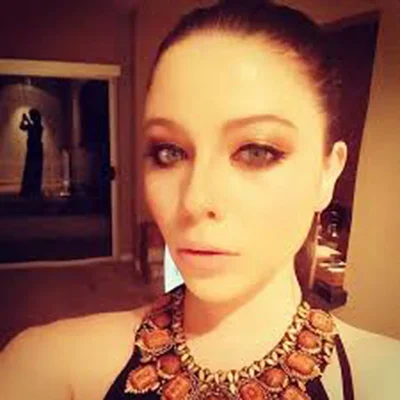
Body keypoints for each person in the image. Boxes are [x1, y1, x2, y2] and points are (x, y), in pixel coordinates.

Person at [0, 1, 399, 399]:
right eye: (169, 152)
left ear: (328, 172)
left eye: (257, 151)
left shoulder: (387, 379)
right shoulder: (48, 366)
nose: (193, 200)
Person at [19, 108, 44, 198]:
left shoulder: (39, 126)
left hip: (36, 150)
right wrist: (24, 120)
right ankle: (30, 189)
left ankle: (34, 189)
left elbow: (33, 129)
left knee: (34, 169)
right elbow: (22, 127)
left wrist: (27, 120)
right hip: (32, 149)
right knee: (30, 169)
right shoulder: (34, 125)